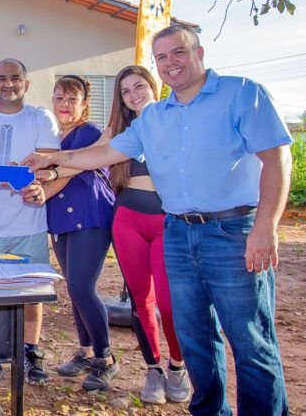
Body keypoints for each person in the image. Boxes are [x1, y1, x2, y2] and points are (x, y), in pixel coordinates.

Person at [23, 24, 292, 415]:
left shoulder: (242, 93)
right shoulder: (155, 118)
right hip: (178, 232)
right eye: (162, 57)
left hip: (233, 231)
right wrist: (52, 159)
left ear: (198, 52)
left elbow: (277, 158)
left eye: (178, 52)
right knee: (196, 337)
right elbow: (103, 155)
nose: (171, 63)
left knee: (250, 341)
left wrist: (266, 225)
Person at [0, 59, 59, 385]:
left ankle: (31, 350)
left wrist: (41, 183)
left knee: (31, 292)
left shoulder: (40, 118)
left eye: (15, 78)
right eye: (2, 78)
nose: (8, 84)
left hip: (29, 224)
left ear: (26, 84)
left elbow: (51, 163)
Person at [104, 65, 190, 404]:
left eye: (138, 86)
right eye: (125, 92)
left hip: (167, 221)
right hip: (128, 221)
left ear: (154, 87)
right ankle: (153, 368)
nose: (133, 94)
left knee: (170, 303)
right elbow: (85, 158)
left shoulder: (173, 121)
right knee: (142, 302)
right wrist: (49, 165)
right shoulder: (120, 131)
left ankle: (177, 366)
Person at [38, 75, 118, 392]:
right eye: (59, 98)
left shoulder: (91, 133)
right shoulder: (51, 135)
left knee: (83, 287)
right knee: (73, 288)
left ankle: (105, 358)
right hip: (60, 219)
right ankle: (85, 351)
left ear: (84, 103)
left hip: (90, 215)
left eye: (72, 99)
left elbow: (77, 167)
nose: (65, 105)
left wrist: (48, 169)